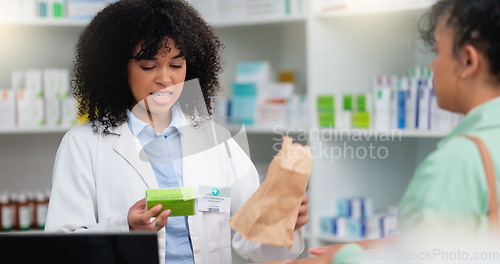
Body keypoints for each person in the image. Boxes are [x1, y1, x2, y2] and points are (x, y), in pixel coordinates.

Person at [44, 1, 308, 263]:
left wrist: (283, 223)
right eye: (149, 66)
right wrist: (125, 227)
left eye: (176, 65)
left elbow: (255, 243)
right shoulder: (83, 145)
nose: (165, 79)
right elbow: (63, 249)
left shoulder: (216, 141)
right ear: (117, 69)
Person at [282, 0, 500, 263]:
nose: (432, 65)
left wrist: (342, 258)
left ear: (467, 60)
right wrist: (389, 246)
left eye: (437, 50)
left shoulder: (458, 161)